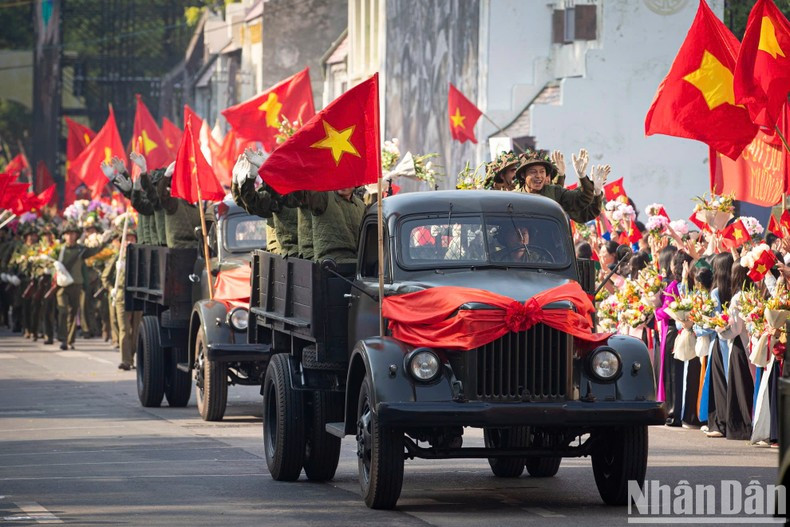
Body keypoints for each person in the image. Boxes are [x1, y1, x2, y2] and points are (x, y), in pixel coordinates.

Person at [232, 151, 299, 256]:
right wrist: (239, 182)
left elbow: (277, 195)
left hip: (292, 253)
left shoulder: (292, 194)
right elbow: (250, 203)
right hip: (283, 254)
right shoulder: (279, 194)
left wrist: (268, 173)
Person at [515, 149, 606, 224]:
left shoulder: (555, 192)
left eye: (542, 171)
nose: (539, 176)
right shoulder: (514, 197)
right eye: (533, 172)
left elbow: (582, 199)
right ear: (523, 175)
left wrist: (582, 176)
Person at [56, 221, 103, 350]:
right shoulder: (59, 249)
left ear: (76, 235)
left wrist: (103, 242)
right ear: (64, 236)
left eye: (73, 234)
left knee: (73, 312)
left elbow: (94, 251)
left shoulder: (81, 250)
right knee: (63, 310)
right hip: (62, 286)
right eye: (68, 234)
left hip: (76, 284)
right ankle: (62, 337)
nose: (70, 237)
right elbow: (49, 263)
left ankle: (69, 340)